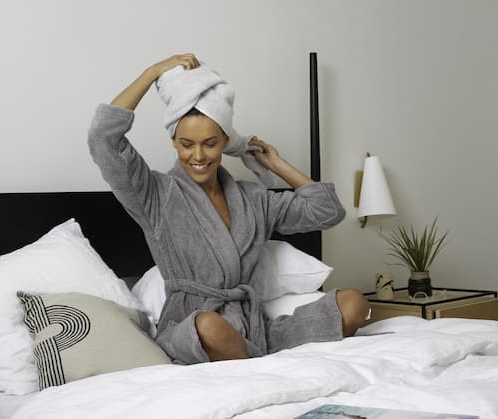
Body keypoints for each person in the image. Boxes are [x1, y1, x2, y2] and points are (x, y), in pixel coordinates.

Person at [88, 53, 370, 365]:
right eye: (186, 144)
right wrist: (152, 72)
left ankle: (251, 357)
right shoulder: (156, 195)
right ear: (174, 141)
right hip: (193, 329)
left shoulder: (253, 198)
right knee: (210, 326)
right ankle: (256, 365)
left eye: (209, 143)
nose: (198, 155)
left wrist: (277, 164)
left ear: (224, 140)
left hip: (256, 330)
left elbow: (327, 211)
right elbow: (103, 138)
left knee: (353, 303)